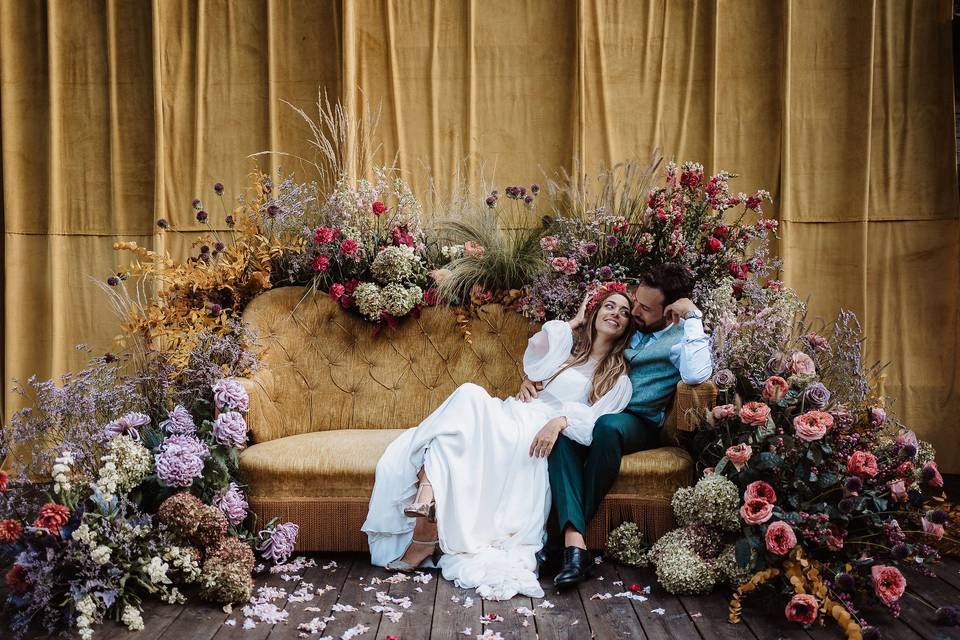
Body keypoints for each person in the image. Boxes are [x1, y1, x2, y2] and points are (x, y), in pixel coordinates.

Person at [362, 287, 635, 599]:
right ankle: (427, 507)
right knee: (467, 400)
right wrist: (574, 321)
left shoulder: (616, 378)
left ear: (627, 327)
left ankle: (425, 515)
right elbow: (538, 354)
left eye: (624, 312)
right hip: (515, 412)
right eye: (609, 306)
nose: (615, 313)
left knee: (461, 413)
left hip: (537, 430)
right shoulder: (567, 355)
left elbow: (594, 422)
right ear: (595, 313)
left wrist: (560, 421)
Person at [518, 262, 712, 589]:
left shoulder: (681, 337)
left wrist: (693, 318)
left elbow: (695, 376)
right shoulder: (627, 321)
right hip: (590, 409)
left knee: (607, 426)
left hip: (636, 421)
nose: (634, 310)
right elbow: (574, 355)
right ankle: (574, 548)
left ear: (671, 312)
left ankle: (559, 540)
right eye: (634, 301)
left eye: (645, 308)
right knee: (562, 435)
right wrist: (534, 380)